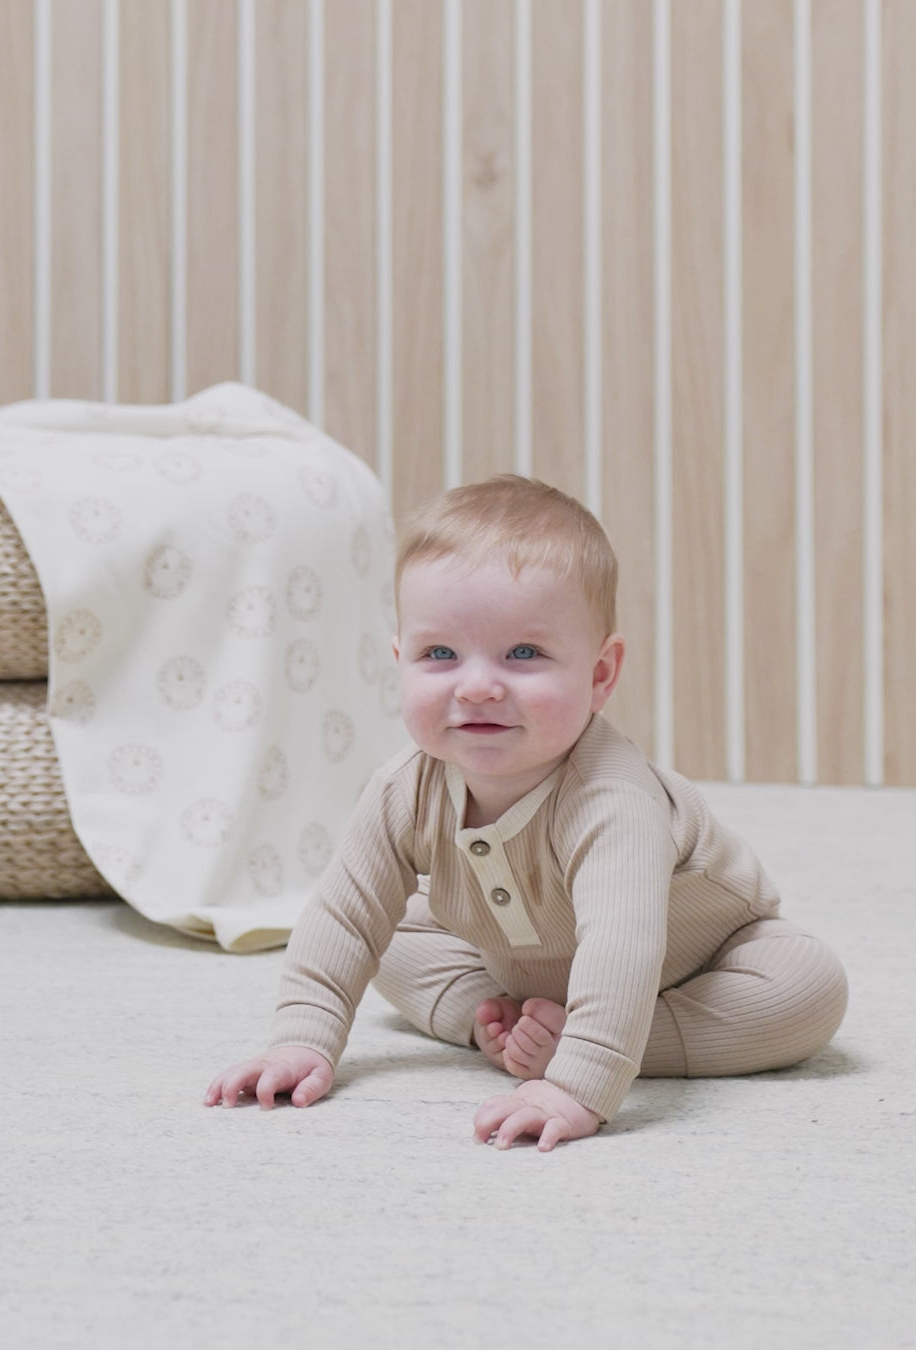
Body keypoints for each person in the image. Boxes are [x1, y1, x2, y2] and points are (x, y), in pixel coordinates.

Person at [205, 475, 848, 1150]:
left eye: (524, 654)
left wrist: (574, 1082)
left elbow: (621, 945)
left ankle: (599, 1039)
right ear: (400, 663)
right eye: (439, 655)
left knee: (808, 989)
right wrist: (300, 1041)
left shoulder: (612, 801)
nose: (478, 685)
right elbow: (343, 912)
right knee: (379, 934)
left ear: (600, 675)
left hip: (700, 965)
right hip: (521, 957)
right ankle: (487, 1018)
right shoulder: (403, 789)